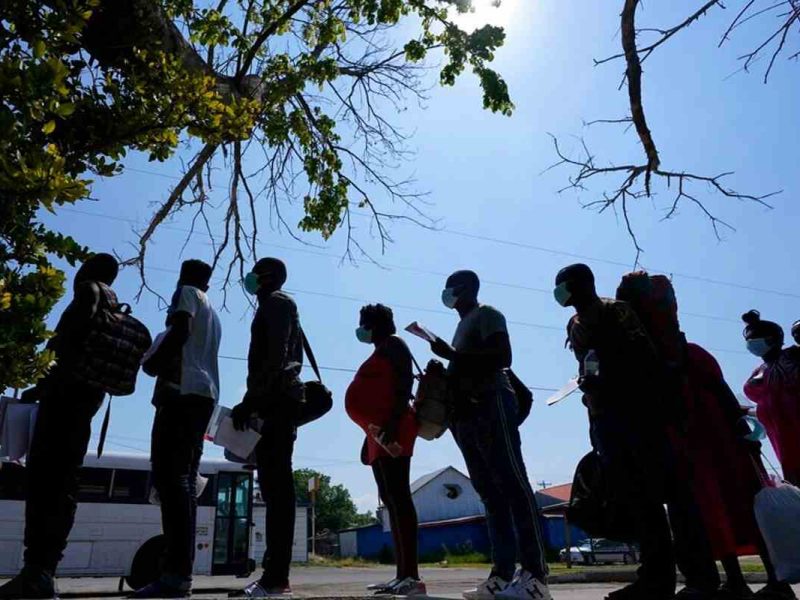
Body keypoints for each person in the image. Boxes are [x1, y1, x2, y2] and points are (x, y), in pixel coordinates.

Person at [554, 263, 719, 600]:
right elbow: (587, 363)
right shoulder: (574, 323)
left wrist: (608, 376)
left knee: (675, 497)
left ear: (583, 283)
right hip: (605, 422)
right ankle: (655, 581)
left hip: (642, 418)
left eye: (563, 285)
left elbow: (644, 360)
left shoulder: (617, 311)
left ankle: (701, 578)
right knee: (641, 504)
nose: (558, 292)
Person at [0, 254, 121, 600]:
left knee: (44, 483)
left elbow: (72, 343)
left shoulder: (88, 292)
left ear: (87, 272)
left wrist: (45, 381)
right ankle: (44, 571)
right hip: (86, 401)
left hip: (64, 399)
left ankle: (34, 573)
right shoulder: (113, 305)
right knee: (64, 485)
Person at [429, 270, 551, 600]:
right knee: (490, 494)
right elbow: (467, 364)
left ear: (467, 289)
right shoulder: (461, 325)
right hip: (467, 415)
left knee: (513, 485)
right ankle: (501, 574)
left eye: (451, 287)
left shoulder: (488, 314)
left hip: (491, 404)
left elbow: (502, 357)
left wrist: (453, 357)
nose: (447, 293)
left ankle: (536, 577)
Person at [133, 260, 222, 598]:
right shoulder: (212, 311)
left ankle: (174, 575)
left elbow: (179, 332)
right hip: (203, 397)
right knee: (184, 481)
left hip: (180, 395)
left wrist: (154, 363)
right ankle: (179, 575)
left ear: (184, 277)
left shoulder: (186, 293)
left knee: (171, 480)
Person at [682, 342, 793, 600]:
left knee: (749, 510)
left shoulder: (690, 354)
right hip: (696, 447)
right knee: (714, 514)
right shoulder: (665, 355)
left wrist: (740, 428)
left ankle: (777, 581)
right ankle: (735, 580)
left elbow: (722, 391)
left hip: (724, 445)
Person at [230, 258, 304, 598]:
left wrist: (250, 401)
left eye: (256, 272)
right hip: (272, 402)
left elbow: (275, 359)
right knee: (275, 492)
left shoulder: (276, 303)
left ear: (268, 278)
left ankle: (275, 580)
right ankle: (273, 577)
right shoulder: (276, 306)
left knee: (278, 493)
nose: (250, 278)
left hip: (275, 404)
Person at [345, 304, 424, 596]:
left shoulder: (394, 344)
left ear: (376, 324)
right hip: (378, 435)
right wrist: (368, 435)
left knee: (399, 497)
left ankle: (412, 577)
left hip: (395, 430)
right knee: (390, 501)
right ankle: (400, 575)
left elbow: (404, 384)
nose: (361, 328)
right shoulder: (380, 350)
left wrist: (389, 424)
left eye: (364, 322)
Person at [742, 310, 800, 486]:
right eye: (749, 339)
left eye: (757, 337)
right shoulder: (759, 371)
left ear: (774, 339)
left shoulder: (793, 356)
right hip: (782, 443)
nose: (752, 342)